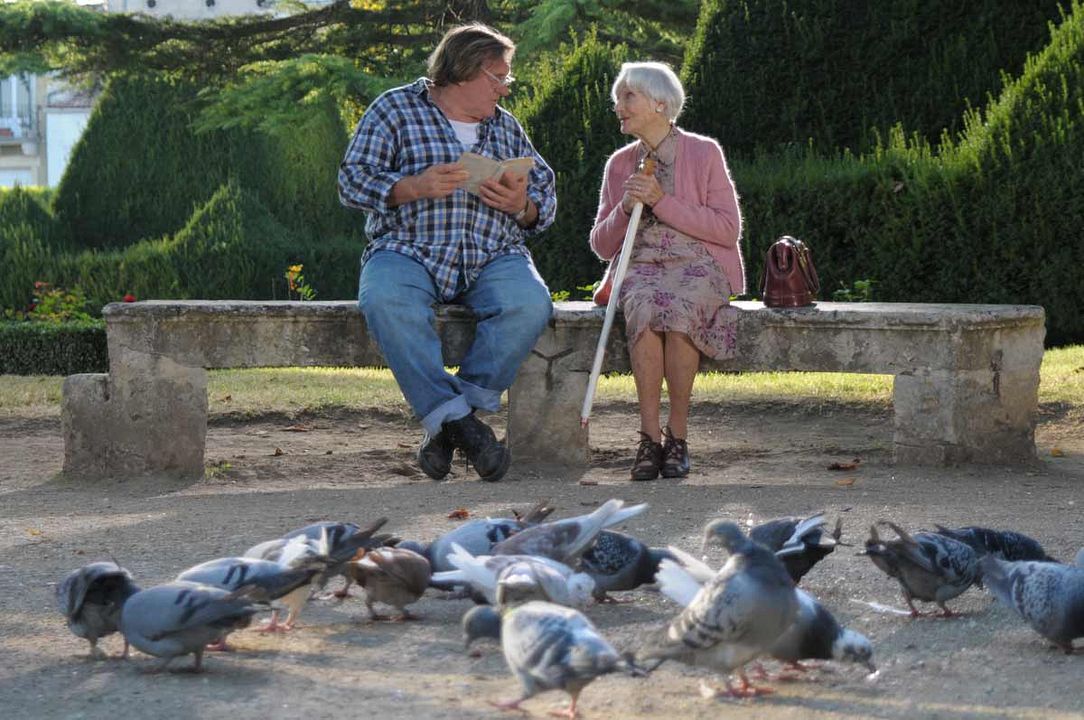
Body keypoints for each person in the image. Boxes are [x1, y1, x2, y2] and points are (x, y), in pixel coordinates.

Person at [339, 24, 557, 483]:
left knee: (530, 303)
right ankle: (463, 426)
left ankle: (449, 424)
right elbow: (350, 180)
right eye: (499, 77)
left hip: (493, 253)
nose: (505, 87)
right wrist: (409, 187)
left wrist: (523, 206)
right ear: (463, 72)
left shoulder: (506, 125)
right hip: (407, 249)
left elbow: (545, 198)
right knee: (385, 300)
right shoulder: (394, 109)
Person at [589, 62, 744, 481]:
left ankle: (677, 437)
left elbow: (728, 229)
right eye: (618, 98)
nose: (618, 106)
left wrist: (661, 201)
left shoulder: (703, 152)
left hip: (699, 265)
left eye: (628, 97)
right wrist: (624, 208)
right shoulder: (620, 164)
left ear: (660, 103)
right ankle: (648, 439)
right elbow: (602, 246)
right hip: (640, 266)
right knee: (641, 305)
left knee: (677, 311)